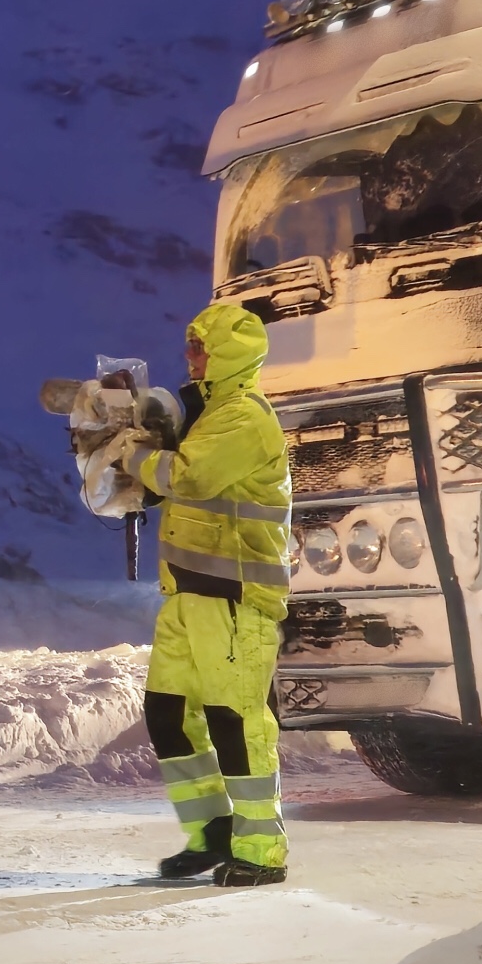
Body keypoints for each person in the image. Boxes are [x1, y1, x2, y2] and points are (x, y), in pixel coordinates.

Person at [126, 297, 294, 886]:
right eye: (191, 345)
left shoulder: (242, 415)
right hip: (188, 595)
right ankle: (211, 834)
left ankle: (260, 851)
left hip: (233, 596)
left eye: (200, 346)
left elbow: (188, 475)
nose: (190, 356)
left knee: (237, 720)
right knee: (167, 715)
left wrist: (133, 454)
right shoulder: (211, 412)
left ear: (228, 351)